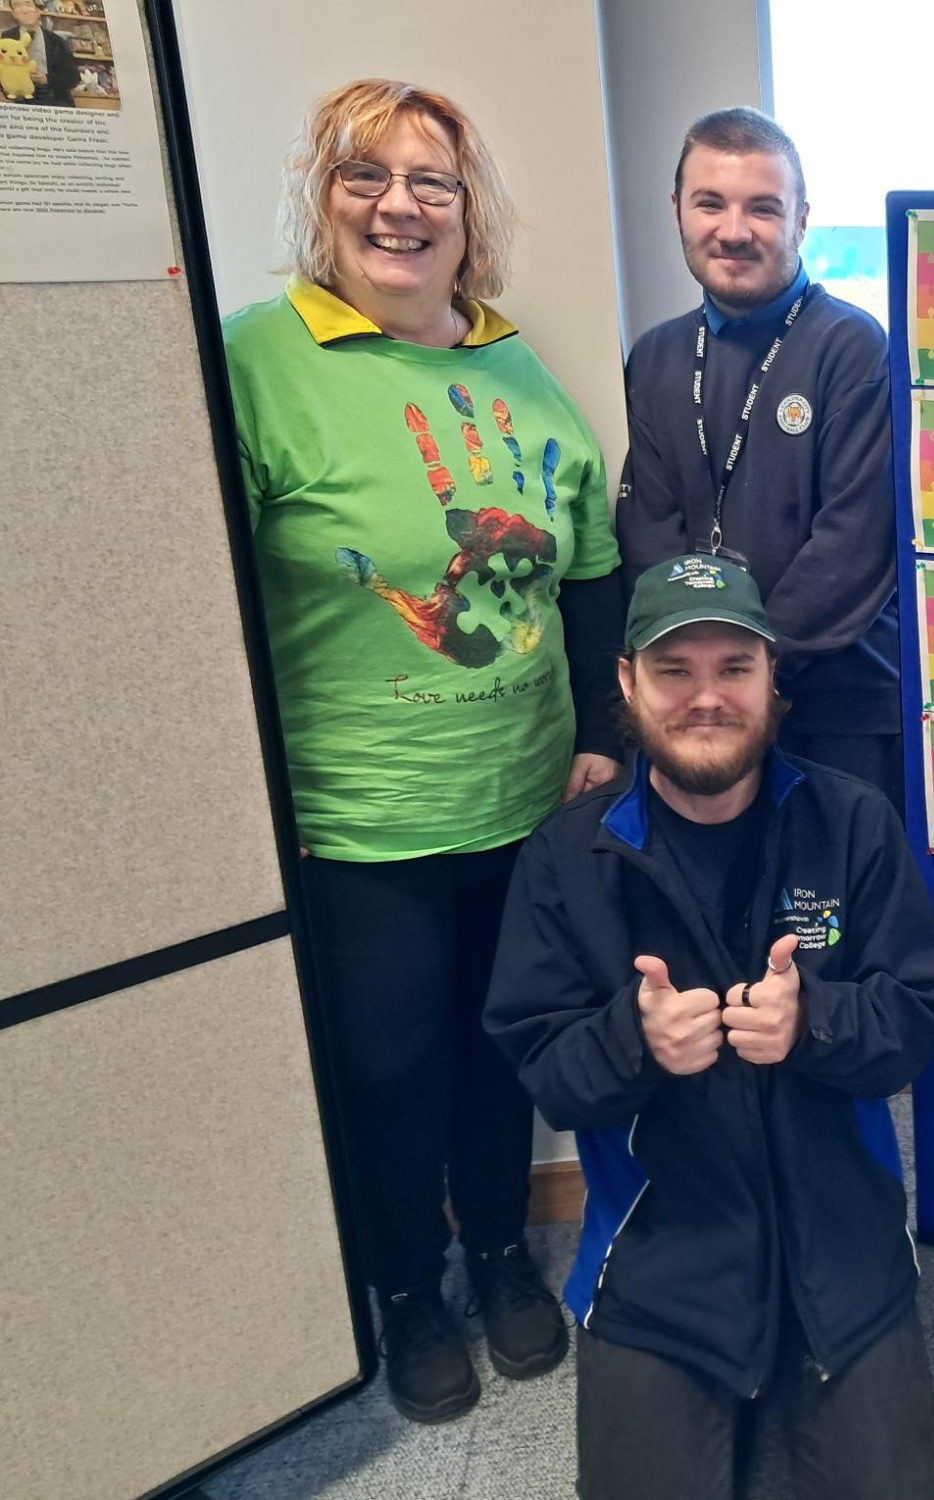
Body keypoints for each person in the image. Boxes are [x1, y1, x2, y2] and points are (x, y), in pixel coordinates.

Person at [222, 79, 624, 1423]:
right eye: (365, 175)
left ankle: (504, 1254)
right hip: (357, 818)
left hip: (520, 802)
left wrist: (599, 744)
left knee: (500, 1044)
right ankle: (407, 1282)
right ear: (321, 198)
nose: (399, 204)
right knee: (390, 1059)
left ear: (468, 217)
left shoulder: (515, 365)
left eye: (431, 182)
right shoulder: (255, 361)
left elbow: (590, 576)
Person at [486, 553, 934, 1500]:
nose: (707, 698)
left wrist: (815, 1020)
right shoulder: (568, 860)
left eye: (733, 668)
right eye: (675, 670)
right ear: (627, 681)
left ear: (772, 677)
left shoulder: (852, 821)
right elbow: (543, 1067)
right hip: (665, 1261)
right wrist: (637, 1040)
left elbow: (920, 1018)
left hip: (843, 1250)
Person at [618, 107, 904, 811]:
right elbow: (649, 531)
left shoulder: (854, 347)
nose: (735, 230)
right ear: (677, 209)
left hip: (838, 709)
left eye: (764, 208)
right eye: (710, 203)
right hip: (700, 709)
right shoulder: (656, 355)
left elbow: (853, 546)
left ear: (801, 220)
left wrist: (747, 669)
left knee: (830, 915)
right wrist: (701, 679)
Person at [1, 0, 80, 106]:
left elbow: (73, 77)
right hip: (21, 102)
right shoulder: (6, 38)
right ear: (14, 13)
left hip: (54, 100)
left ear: (38, 10)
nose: (24, 10)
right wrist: (7, 89)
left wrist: (47, 79)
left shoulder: (57, 41)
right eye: (17, 5)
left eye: (28, 3)